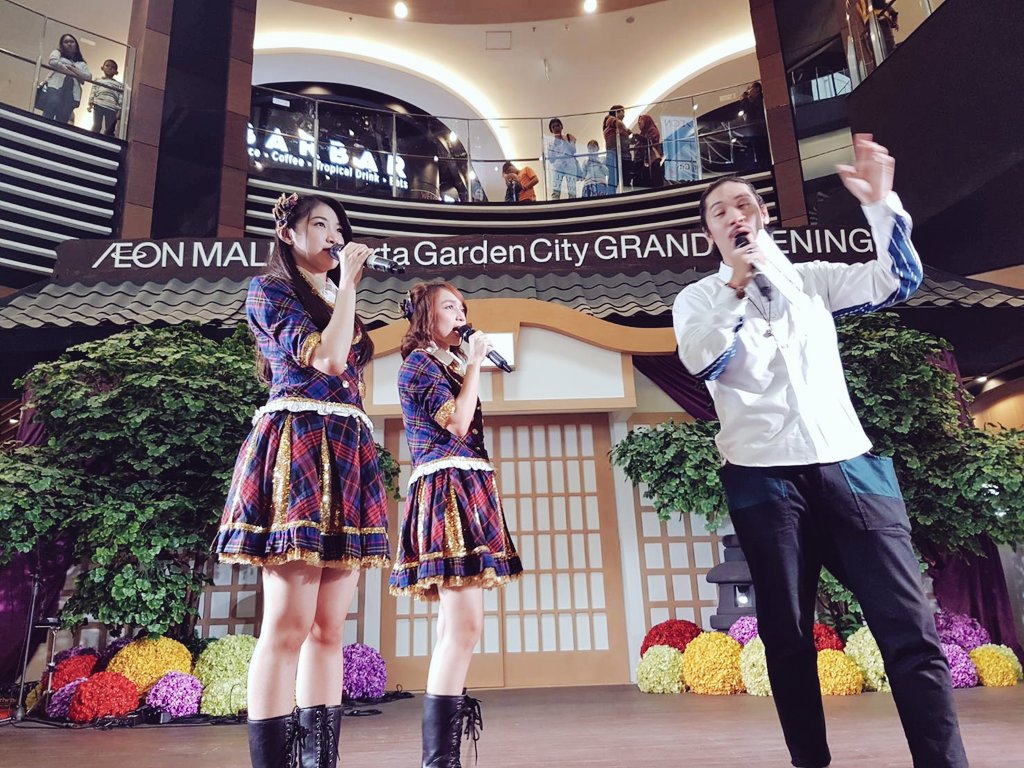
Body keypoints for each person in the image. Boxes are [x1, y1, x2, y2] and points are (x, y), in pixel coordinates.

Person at [672, 134, 968, 768]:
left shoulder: (812, 281)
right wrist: (735, 286)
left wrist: (881, 205)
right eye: (719, 211)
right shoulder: (696, 300)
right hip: (763, 478)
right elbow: (704, 361)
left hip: (849, 463)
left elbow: (898, 281)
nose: (734, 215)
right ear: (709, 233)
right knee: (787, 637)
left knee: (909, 628)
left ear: (762, 214)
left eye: (743, 204)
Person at [212, 192, 391, 768]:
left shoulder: (335, 295)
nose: (334, 237)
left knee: (329, 629)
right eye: (320, 225)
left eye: (338, 227)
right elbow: (330, 360)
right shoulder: (269, 290)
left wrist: (344, 292)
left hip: (346, 447)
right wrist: (351, 287)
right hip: (300, 444)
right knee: (288, 625)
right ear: (287, 234)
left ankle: (320, 762)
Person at [389, 281, 523, 768]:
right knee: (464, 626)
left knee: (456, 627)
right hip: (446, 490)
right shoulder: (419, 365)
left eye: (463, 306)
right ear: (426, 316)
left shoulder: (445, 363)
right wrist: (475, 364)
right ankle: (439, 760)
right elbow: (459, 423)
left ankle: (442, 757)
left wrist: (469, 363)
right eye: (449, 306)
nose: (461, 313)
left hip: (465, 485)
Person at [38, 33, 91, 124]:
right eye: (66, 42)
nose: (69, 44)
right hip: (55, 86)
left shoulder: (81, 63)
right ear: (62, 44)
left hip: (72, 92)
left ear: (76, 44)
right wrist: (72, 72)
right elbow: (53, 62)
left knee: (63, 117)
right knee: (51, 107)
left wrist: (73, 68)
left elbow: (88, 77)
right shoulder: (58, 53)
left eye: (71, 41)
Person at [545, 117, 580, 199]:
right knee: (556, 191)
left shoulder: (568, 137)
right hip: (558, 167)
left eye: (557, 125)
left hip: (570, 165)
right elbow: (551, 160)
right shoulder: (550, 143)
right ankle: (555, 205)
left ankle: (573, 204)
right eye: (553, 127)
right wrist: (555, 143)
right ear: (551, 130)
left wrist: (564, 140)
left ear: (561, 126)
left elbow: (573, 150)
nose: (556, 128)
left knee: (572, 189)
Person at [87, 59, 123, 136]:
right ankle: (92, 137)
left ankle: (109, 139)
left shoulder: (119, 84)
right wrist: (90, 103)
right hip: (98, 104)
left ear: (116, 72)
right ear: (102, 68)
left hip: (112, 107)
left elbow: (121, 97)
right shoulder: (98, 80)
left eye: (113, 67)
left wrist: (119, 109)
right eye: (107, 66)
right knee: (97, 124)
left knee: (110, 128)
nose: (110, 68)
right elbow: (93, 91)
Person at [602, 104, 632, 192]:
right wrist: (626, 130)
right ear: (617, 112)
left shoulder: (614, 126)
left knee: (621, 179)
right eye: (622, 111)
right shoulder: (610, 120)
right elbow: (618, 123)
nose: (624, 114)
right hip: (616, 154)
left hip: (621, 155)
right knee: (614, 179)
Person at [632, 114, 663, 188]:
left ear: (646, 121)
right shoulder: (643, 133)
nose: (639, 123)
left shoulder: (652, 130)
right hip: (643, 161)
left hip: (651, 160)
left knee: (653, 179)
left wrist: (638, 137)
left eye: (641, 120)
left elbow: (650, 142)